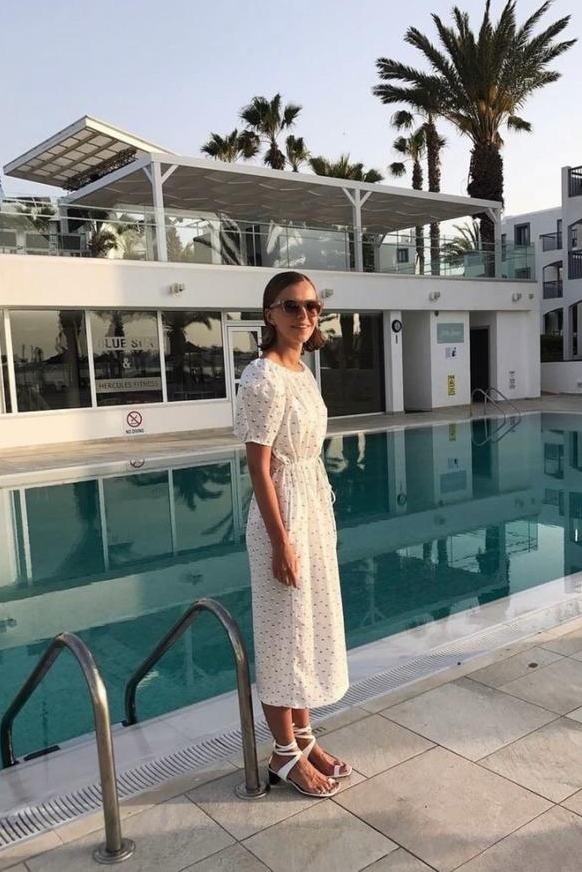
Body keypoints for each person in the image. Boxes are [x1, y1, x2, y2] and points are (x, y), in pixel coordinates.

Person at [234, 270, 351, 798]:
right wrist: (281, 541)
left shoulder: (301, 371)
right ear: (269, 314)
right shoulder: (262, 377)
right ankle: (283, 753)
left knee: (306, 628)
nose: (304, 315)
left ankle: (304, 739)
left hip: (311, 509)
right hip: (282, 517)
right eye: (292, 306)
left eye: (312, 306)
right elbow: (259, 468)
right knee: (283, 635)